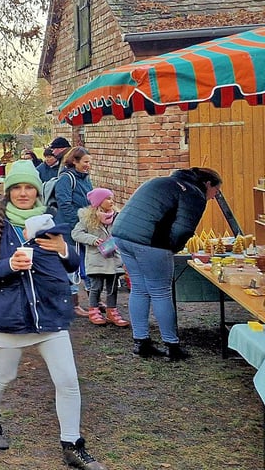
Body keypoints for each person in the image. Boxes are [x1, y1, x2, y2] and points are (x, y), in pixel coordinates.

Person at [0, 160, 107, 470]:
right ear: (8, 192)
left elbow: (72, 264)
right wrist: (9, 265)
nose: (22, 193)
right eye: (16, 187)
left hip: (48, 312)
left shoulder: (49, 221)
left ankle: (72, 444)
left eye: (28, 187)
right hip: (8, 314)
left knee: (68, 380)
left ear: (37, 190)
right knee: (4, 375)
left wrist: (62, 248)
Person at [112, 167, 223, 361]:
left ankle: (141, 342)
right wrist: (171, 249)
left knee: (139, 288)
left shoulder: (159, 181)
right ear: (207, 184)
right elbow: (183, 229)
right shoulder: (193, 193)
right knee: (161, 291)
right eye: (216, 191)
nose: (214, 197)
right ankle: (171, 346)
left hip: (121, 235)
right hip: (150, 242)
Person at [72, 188, 129, 327]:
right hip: (96, 259)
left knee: (112, 287)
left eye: (111, 198)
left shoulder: (117, 216)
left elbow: (124, 232)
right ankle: (94, 310)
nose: (111, 201)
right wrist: (92, 239)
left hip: (113, 258)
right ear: (99, 202)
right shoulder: (87, 219)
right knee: (96, 287)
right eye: (108, 198)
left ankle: (112, 311)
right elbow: (76, 233)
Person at [53, 147, 94, 317]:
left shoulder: (86, 179)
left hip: (84, 228)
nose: (88, 165)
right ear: (74, 161)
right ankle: (73, 303)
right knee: (72, 266)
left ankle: (94, 301)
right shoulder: (65, 179)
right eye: (85, 162)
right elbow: (64, 204)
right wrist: (77, 225)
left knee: (90, 263)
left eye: (89, 162)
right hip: (69, 230)